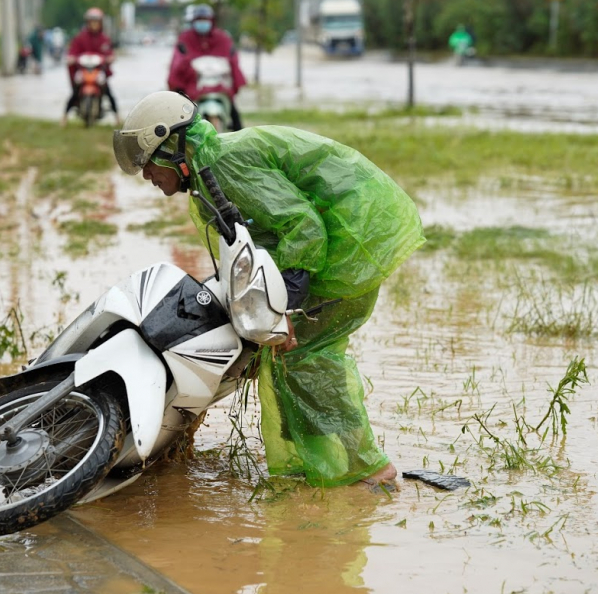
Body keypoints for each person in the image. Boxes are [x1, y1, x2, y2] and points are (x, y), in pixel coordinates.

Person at [112, 91, 426, 491]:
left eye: (149, 163)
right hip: (335, 245)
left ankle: (366, 470)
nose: (147, 176)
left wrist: (287, 310)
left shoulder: (222, 164)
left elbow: (303, 227)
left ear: (174, 149)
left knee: (304, 358)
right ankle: (323, 467)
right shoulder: (209, 172)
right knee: (289, 361)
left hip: (349, 243)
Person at [167, 4, 246, 130]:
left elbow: (232, 58)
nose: (202, 23)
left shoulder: (222, 38)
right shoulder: (185, 38)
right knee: (178, 117)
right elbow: (177, 62)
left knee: (234, 115)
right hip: (193, 84)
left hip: (219, 85)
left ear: (211, 21)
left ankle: (242, 143)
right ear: (194, 21)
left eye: (205, 20)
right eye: (199, 20)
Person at [62, 8, 119, 126]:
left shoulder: (104, 39)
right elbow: (73, 51)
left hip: (98, 71)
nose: (94, 24)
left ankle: (117, 117)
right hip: (83, 71)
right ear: (87, 23)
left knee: (108, 91)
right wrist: (71, 58)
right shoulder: (80, 38)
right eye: (91, 22)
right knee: (75, 91)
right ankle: (64, 117)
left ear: (100, 23)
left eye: (96, 22)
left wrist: (110, 58)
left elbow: (109, 52)